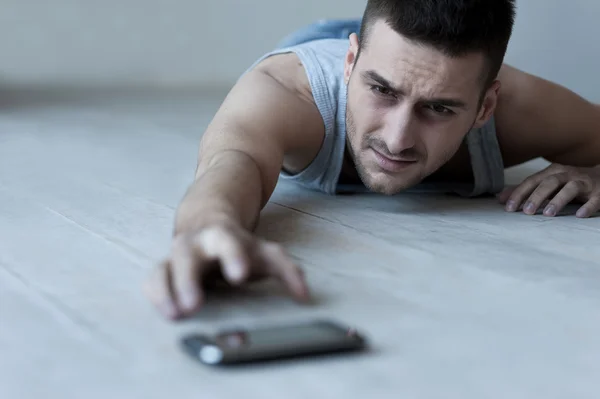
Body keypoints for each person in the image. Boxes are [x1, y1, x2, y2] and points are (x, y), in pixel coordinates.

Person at [144, 0, 600, 320]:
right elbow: (233, 159)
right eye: (382, 91)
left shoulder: (522, 108)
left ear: (484, 107)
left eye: (439, 108)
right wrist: (211, 227)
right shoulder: (288, 92)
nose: (398, 139)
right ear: (349, 62)